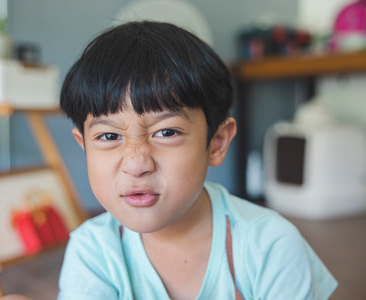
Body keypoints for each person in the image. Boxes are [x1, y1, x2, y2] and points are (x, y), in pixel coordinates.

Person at [57, 21, 337, 299]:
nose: (136, 164)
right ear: (84, 146)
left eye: (166, 132)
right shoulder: (93, 250)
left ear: (216, 142)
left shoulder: (269, 245)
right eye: (108, 137)